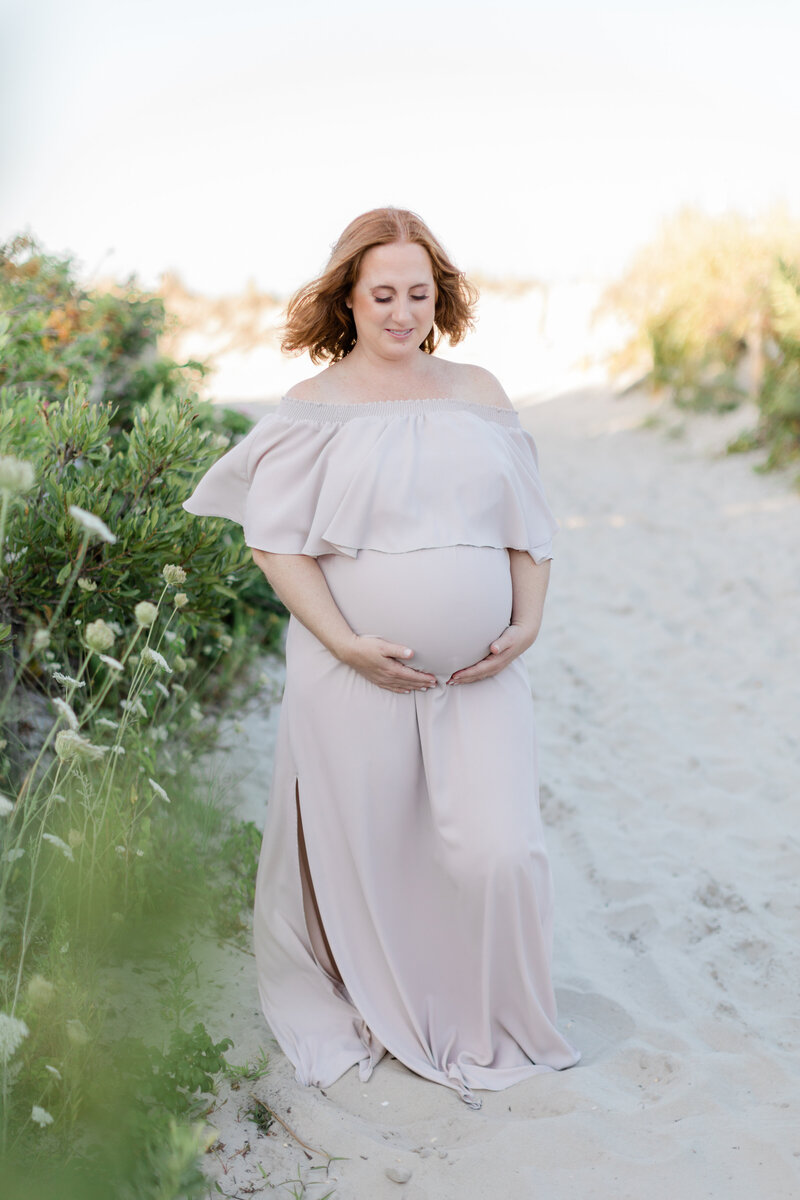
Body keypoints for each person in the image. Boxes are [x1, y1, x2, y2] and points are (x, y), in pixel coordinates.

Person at [182, 207, 581, 1109]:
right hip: (348, 673)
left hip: (481, 675)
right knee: (375, 853)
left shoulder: (480, 390)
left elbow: (530, 523)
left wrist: (528, 622)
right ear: (349, 302)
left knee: (499, 851)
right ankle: (380, 999)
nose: (403, 312)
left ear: (439, 297)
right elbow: (277, 543)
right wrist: (346, 643)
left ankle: (488, 1016)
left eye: (419, 293)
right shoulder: (314, 409)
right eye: (383, 294)